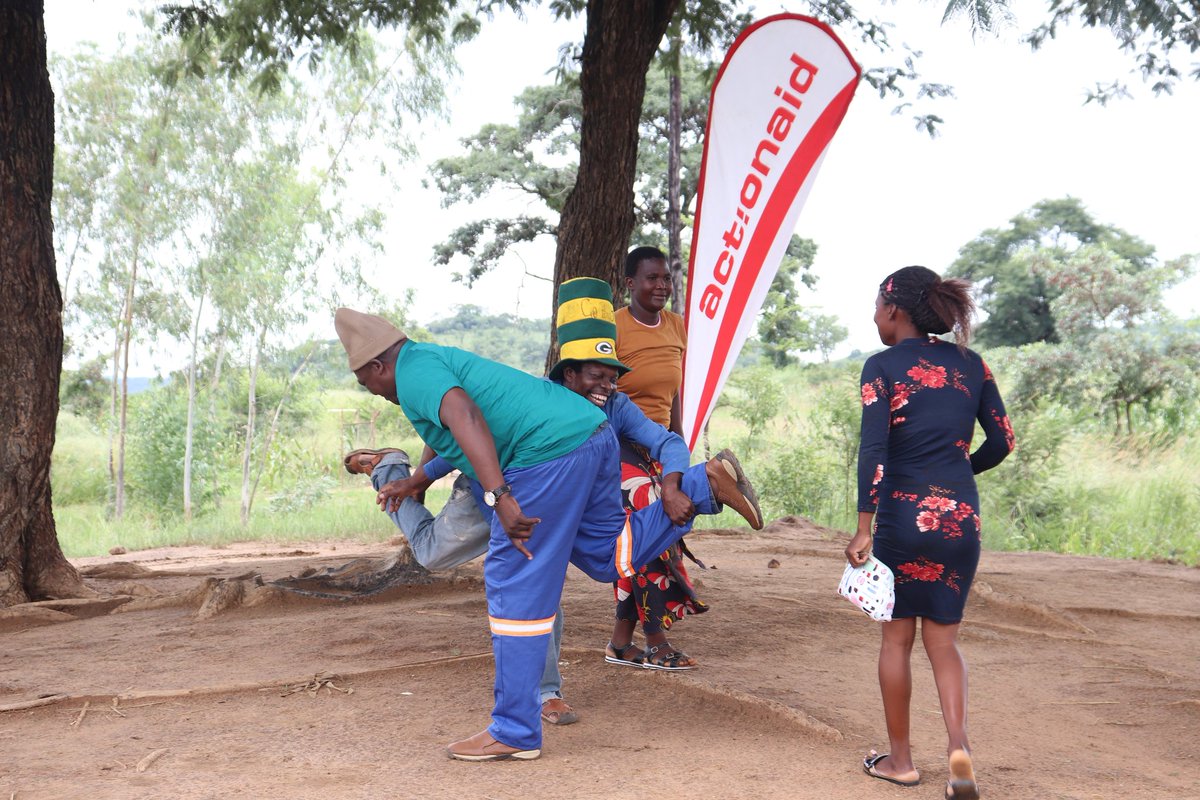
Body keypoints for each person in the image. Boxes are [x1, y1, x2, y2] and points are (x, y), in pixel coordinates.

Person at [334, 295, 763, 763]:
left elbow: (465, 417)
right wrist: (419, 478)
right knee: (605, 558)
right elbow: (463, 431)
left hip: (542, 460)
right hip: (587, 439)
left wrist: (500, 496)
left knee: (515, 586)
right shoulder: (431, 359)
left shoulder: (414, 372)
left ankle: (515, 730)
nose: (372, 391)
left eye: (365, 382)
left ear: (377, 365)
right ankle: (707, 484)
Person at [844, 266, 1014, 800]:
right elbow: (1003, 440)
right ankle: (959, 753)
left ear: (894, 310)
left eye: (875, 306)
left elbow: (873, 452)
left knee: (897, 637)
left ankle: (900, 761)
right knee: (944, 642)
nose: (873, 316)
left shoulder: (881, 367)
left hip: (899, 517)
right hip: (960, 518)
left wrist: (863, 526)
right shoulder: (973, 365)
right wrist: (955, 477)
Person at [607, 245, 715, 670]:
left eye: (666, 278)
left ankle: (620, 643)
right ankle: (654, 639)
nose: (661, 286)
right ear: (631, 284)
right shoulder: (612, 326)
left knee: (639, 540)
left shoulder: (676, 327)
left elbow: (675, 396)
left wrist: (679, 448)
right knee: (655, 528)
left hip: (659, 446)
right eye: (651, 278)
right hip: (616, 446)